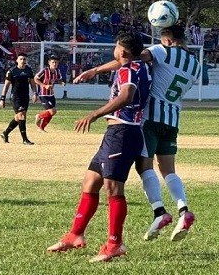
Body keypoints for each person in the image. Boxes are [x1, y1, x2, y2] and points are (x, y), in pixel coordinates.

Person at [74, 25, 198, 242]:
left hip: (149, 118)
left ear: (166, 40)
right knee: (169, 170)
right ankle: (183, 209)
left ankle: (159, 212)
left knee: (144, 166)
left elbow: (129, 57)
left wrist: (96, 70)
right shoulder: (195, 63)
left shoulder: (162, 51)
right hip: (172, 118)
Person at [47, 32, 151, 262]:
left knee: (113, 188)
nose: (114, 50)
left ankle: (115, 244)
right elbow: (120, 63)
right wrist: (95, 70)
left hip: (123, 132)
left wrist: (94, 114)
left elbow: (126, 95)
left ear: (122, 51)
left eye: (116, 47)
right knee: (91, 180)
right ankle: (75, 234)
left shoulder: (128, 71)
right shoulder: (137, 63)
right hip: (115, 133)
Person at [0, 53, 36, 145]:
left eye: (24, 59)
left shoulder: (29, 70)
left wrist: (35, 93)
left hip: (25, 97)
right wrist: (2, 98)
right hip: (16, 97)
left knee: (18, 117)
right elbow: (6, 85)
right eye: (21, 59)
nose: (23, 61)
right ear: (17, 60)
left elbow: (32, 83)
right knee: (21, 116)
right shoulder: (12, 71)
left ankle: (5, 133)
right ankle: (25, 140)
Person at [34, 55, 64, 132]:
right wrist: (44, 86)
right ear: (49, 63)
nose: (54, 64)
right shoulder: (44, 71)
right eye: (53, 62)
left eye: (56, 62)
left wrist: (61, 83)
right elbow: (35, 79)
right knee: (52, 111)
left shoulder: (57, 71)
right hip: (43, 94)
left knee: (51, 113)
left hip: (51, 94)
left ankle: (41, 128)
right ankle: (39, 116)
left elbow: (59, 79)